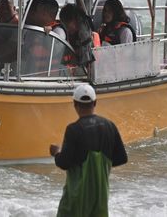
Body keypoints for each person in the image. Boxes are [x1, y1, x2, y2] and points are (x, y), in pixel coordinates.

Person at [50, 84, 127, 217]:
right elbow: (122, 158)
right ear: (95, 103)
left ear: (75, 104)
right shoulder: (109, 126)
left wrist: (56, 152)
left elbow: (64, 163)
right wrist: (99, 168)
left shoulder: (73, 129)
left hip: (76, 200)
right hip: (100, 198)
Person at [59, 4, 99, 71]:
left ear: (75, 21)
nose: (66, 28)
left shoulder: (92, 38)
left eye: (66, 24)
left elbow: (91, 62)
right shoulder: (70, 35)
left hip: (88, 72)